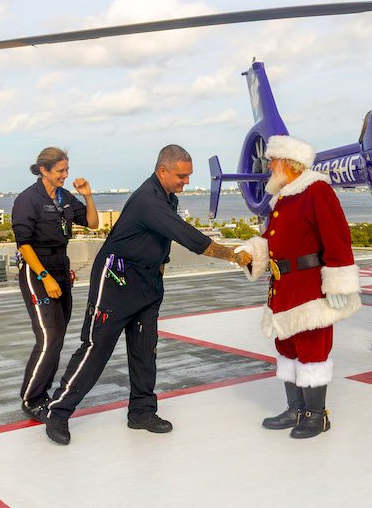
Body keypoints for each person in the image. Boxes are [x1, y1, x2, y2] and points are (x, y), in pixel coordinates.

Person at [43, 145, 252, 445]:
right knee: (96, 349)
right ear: (162, 171)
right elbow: (189, 238)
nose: (186, 182)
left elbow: (160, 241)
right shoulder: (148, 200)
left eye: (188, 176)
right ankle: (58, 413)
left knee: (145, 349)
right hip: (116, 280)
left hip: (147, 282)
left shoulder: (169, 197)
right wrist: (233, 255)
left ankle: (141, 411)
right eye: (182, 176)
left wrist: (158, 275)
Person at [236, 135, 361, 439]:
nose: (268, 166)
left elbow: (337, 238)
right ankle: (296, 409)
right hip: (283, 287)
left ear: (290, 164)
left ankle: (316, 416)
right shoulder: (283, 196)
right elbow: (276, 242)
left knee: (312, 348)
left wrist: (338, 285)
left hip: (309, 288)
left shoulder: (316, 191)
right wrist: (254, 251)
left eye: (272, 160)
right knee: (287, 347)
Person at [11, 147, 100, 422]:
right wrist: (44, 277)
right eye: (60, 170)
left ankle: (42, 393)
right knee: (49, 337)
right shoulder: (28, 199)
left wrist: (87, 195)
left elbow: (93, 223)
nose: (65, 174)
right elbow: (24, 245)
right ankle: (31, 399)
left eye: (67, 169)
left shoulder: (65, 197)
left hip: (61, 266)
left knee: (58, 337)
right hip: (37, 269)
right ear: (43, 170)